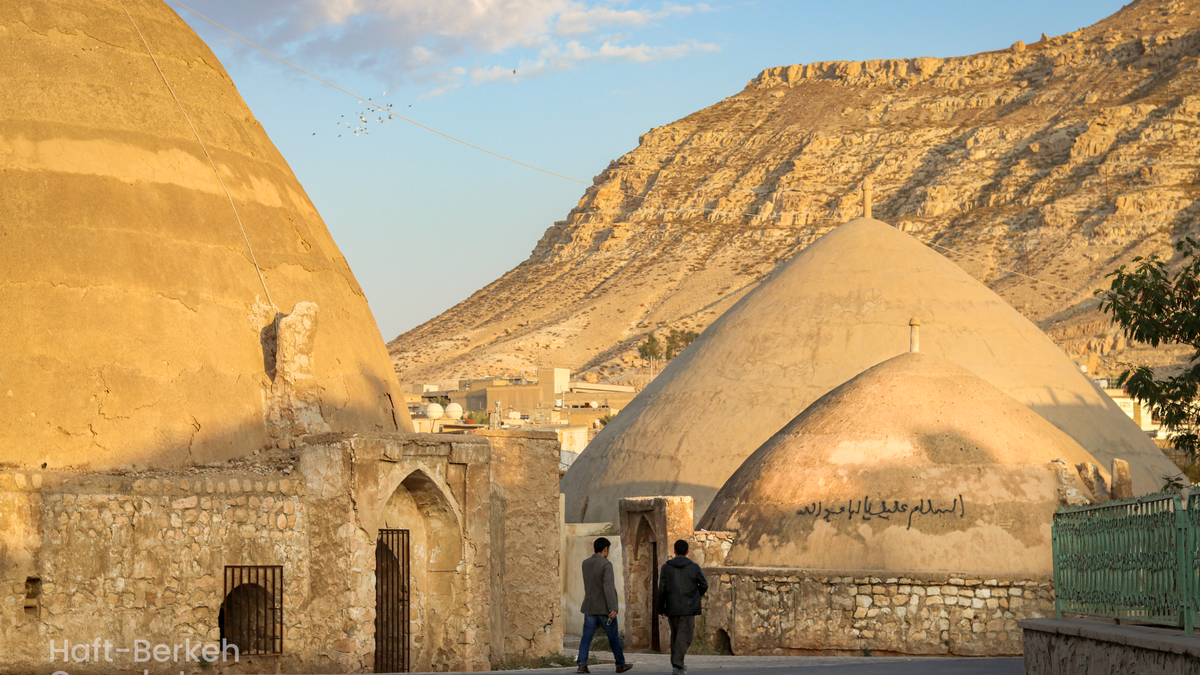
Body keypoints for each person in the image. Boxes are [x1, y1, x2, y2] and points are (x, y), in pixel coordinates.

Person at [577, 537, 633, 673]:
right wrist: (613, 608)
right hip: (604, 609)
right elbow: (608, 587)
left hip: (590, 607)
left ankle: (582, 664)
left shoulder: (586, 563)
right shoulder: (606, 565)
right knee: (613, 637)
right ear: (605, 549)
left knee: (586, 637)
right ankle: (620, 664)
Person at [657, 539, 708, 675]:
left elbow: (661, 590)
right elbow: (704, 585)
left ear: (674, 551)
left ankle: (677, 663)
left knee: (676, 636)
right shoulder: (694, 567)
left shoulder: (666, 568)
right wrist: (695, 596)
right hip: (688, 608)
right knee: (685, 636)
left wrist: (661, 608)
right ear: (687, 551)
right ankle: (678, 666)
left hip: (672, 608)